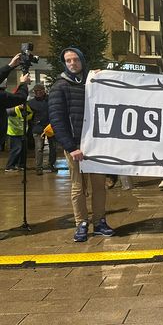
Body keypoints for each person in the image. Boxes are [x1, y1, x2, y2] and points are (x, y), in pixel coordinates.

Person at [49, 47, 115, 242]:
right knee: (78, 187)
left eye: (75, 59)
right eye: (68, 60)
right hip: (76, 146)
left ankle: (100, 221)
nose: (72, 63)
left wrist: (103, 76)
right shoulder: (59, 86)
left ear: (82, 61)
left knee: (99, 186)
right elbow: (57, 120)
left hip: (96, 145)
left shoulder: (92, 82)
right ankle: (81, 223)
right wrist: (70, 147)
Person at [28, 84, 57, 175]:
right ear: (34, 92)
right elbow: (29, 116)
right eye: (37, 91)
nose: (38, 93)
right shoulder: (31, 103)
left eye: (40, 91)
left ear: (44, 91)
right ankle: (38, 168)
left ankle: (50, 165)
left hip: (51, 126)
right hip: (38, 128)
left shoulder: (51, 100)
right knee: (39, 148)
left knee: (53, 147)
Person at [5, 104, 32, 172]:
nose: (22, 105)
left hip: (23, 132)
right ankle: (10, 166)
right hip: (14, 133)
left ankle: (21, 165)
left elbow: (31, 114)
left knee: (23, 149)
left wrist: (27, 117)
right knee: (16, 149)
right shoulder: (12, 110)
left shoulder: (26, 107)